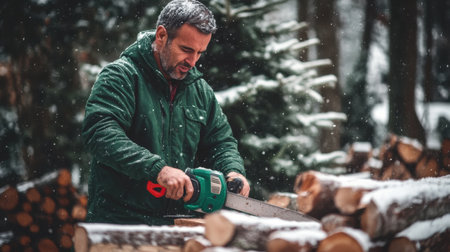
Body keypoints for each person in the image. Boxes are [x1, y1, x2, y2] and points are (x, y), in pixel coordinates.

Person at [81, 0, 250, 225]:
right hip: (120, 221)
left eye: (200, 52)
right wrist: (157, 170)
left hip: (179, 223)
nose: (192, 61)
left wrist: (233, 171)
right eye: (186, 50)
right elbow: (101, 134)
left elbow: (220, 142)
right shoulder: (121, 76)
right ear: (161, 36)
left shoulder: (199, 90)